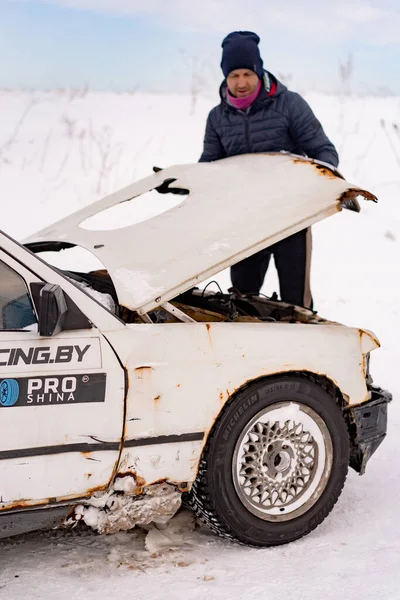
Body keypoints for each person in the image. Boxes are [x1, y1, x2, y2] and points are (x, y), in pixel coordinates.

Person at [199, 31, 339, 309]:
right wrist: (182, 184)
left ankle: (303, 347)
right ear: (225, 78)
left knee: (296, 301)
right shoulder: (217, 117)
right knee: (242, 299)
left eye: (247, 74)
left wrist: (323, 181)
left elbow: (324, 152)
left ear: (259, 71)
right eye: (233, 76)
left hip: (291, 218)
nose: (241, 83)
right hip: (245, 220)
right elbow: (209, 167)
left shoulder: (289, 105)